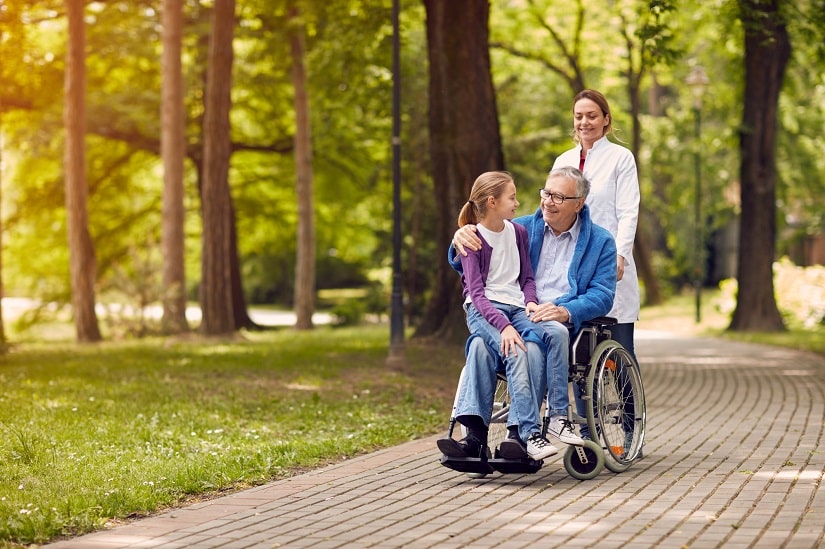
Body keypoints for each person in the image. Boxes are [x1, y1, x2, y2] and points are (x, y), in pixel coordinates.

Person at [450, 166, 616, 458]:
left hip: (556, 321)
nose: (548, 201)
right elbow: (479, 259)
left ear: (579, 203)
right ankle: (475, 440)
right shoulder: (522, 228)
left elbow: (603, 294)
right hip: (515, 311)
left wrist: (566, 310)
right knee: (478, 344)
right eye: (546, 193)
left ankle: (527, 431)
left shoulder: (600, 241)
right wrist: (460, 237)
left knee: (536, 343)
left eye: (558, 197)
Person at [437, 171, 557, 462]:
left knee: (485, 347)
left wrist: (530, 302)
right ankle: (528, 434)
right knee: (515, 349)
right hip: (483, 311)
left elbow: (527, 277)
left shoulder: (518, 232)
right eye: (512, 197)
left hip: (516, 308)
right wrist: (503, 327)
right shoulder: (472, 239)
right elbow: (477, 295)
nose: (517, 203)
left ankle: (477, 439)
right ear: (492, 201)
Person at [552, 90, 641, 449]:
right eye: (579, 116)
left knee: (620, 352)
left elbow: (628, 211)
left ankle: (632, 428)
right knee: (578, 354)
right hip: (574, 266)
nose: (585, 122)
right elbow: (553, 207)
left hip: (609, 263)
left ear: (606, 119)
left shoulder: (621, 158)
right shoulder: (563, 160)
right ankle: (587, 432)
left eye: (592, 115)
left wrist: (620, 255)